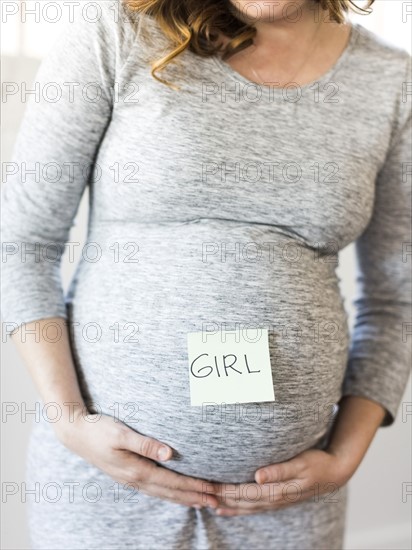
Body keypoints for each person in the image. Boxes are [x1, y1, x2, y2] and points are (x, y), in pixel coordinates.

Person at [2, 0, 411, 548]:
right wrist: (69, 419)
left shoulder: (390, 81)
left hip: (288, 511)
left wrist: (345, 455)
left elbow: (397, 297)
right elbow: (22, 243)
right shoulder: (119, 33)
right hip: (107, 490)